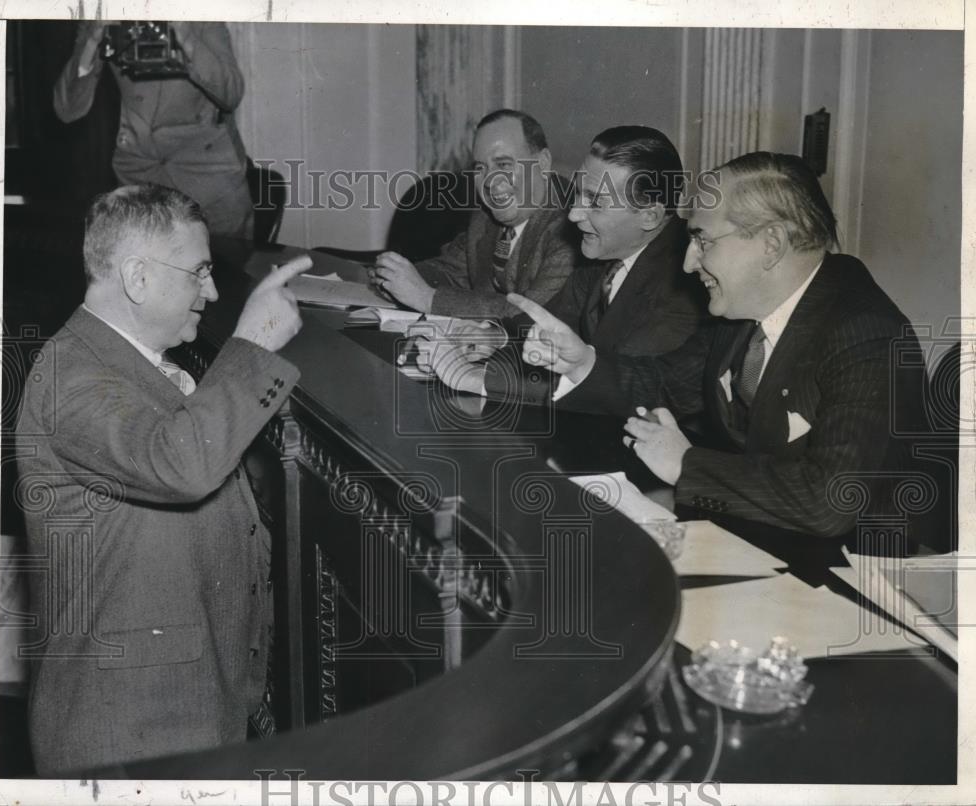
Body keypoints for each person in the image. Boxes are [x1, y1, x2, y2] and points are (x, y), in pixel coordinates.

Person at [16, 184, 307, 776]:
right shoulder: (71, 379)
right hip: (127, 734)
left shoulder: (128, 361)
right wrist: (253, 347)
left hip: (184, 710)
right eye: (199, 272)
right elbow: (183, 466)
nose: (213, 292)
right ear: (138, 277)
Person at [509, 152, 925, 539]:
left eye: (703, 241)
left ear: (771, 244)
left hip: (863, 567)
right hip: (764, 538)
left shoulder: (867, 336)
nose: (689, 263)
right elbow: (669, 384)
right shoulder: (744, 308)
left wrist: (686, 465)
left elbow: (832, 501)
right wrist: (581, 362)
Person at [408, 126, 708, 404]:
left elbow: (620, 389)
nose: (574, 214)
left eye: (595, 202)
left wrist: (474, 378)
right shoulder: (604, 251)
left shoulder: (688, 282)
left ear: (650, 216)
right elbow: (556, 323)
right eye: (578, 193)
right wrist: (494, 337)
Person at [370, 108, 580, 318]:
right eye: (480, 168)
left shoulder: (571, 231)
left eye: (503, 164)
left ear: (543, 163)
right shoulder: (485, 216)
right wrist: (394, 277)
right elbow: (451, 271)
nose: (489, 181)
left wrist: (426, 298)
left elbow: (530, 315)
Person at [54, 21, 254, 239]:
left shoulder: (201, 17)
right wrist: (93, 39)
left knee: (223, 259)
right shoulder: (103, 16)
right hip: (140, 178)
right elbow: (67, 109)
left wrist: (186, 35)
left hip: (207, 178)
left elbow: (232, 93)